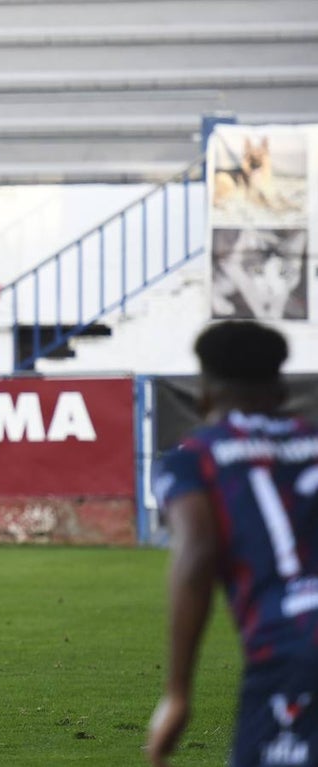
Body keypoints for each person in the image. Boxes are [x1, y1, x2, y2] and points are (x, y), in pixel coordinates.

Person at [147, 320, 318, 766]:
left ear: (203, 394)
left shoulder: (193, 460)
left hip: (294, 650)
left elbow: (197, 554)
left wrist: (178, 694)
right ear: (281, 391)